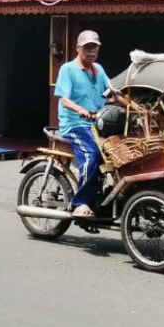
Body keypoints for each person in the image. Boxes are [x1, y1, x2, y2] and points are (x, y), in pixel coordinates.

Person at [53, 30, 119, 218]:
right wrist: (80, 110)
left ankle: (104, 195)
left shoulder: (99, 70)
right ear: (78, 48)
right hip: (74, 124)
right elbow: (64, 99)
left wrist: (133, 104)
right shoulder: (68, 69)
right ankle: (80, 203)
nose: (91, 51)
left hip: (97, 125)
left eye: (94, 47)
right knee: (92, 153)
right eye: (87, 47)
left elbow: (112, 93)